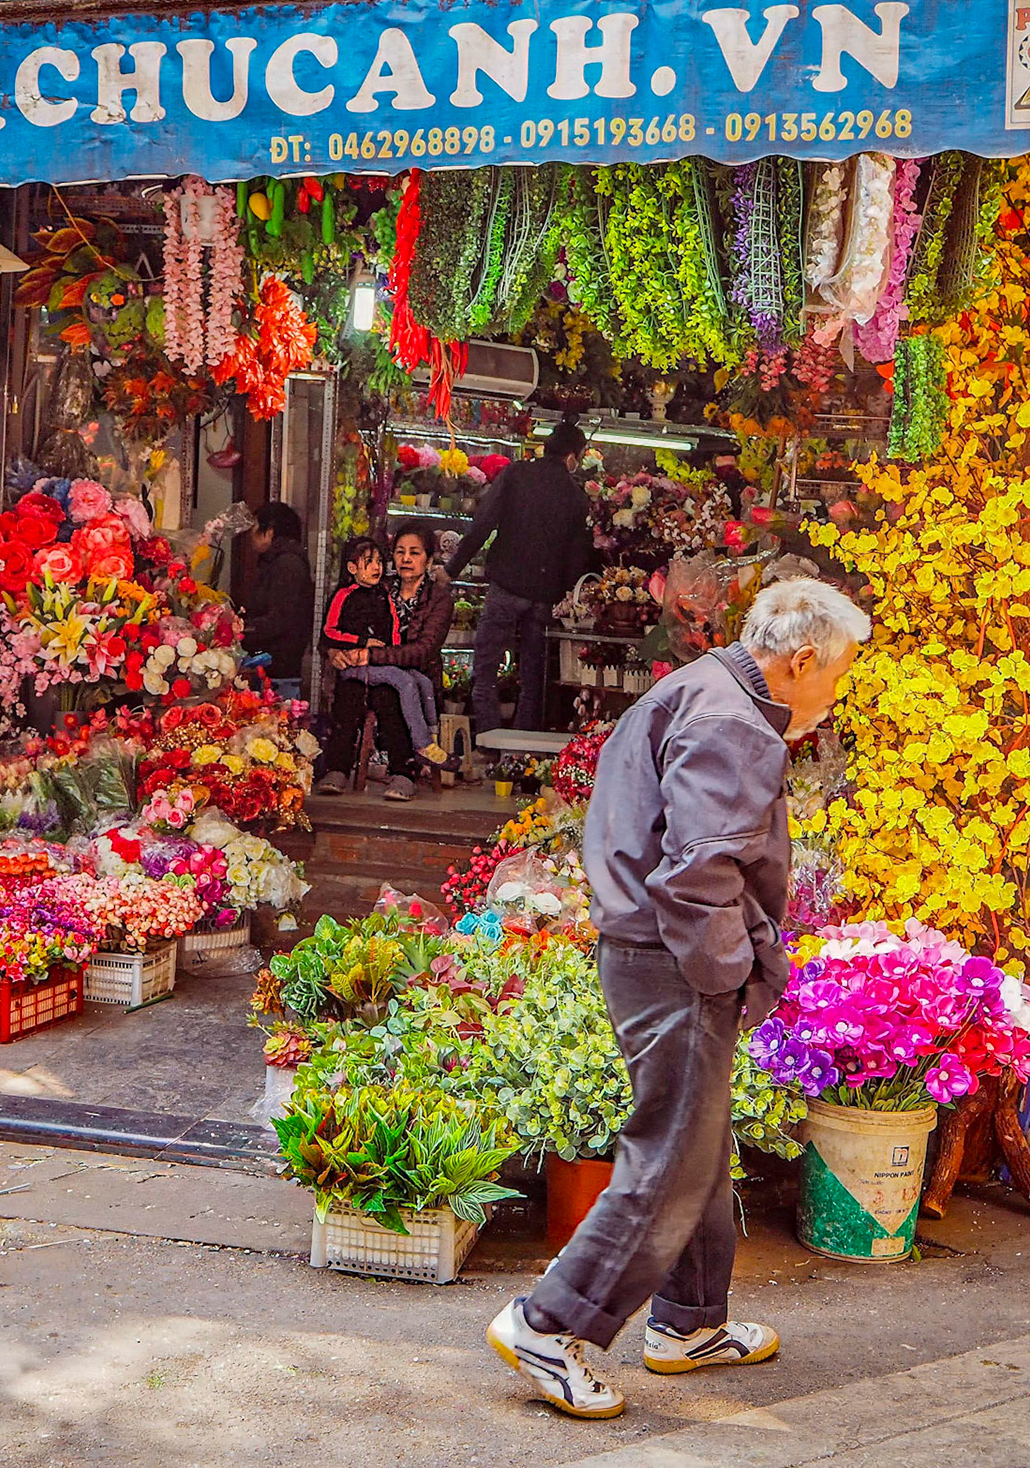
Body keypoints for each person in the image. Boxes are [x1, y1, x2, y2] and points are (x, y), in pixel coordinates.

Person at [487, 578, 871, 1420]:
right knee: (671, 1154)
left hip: (649, 952)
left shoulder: (699, 687)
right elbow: (698, 875)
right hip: (676, 960)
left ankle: (689, 1322)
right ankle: (549, 1325)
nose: (835, 694)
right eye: (838, 674)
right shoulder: (734, 720)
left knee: (694, 1143)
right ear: (802, 659)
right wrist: (729, 971)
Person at [445, 420, 592, 738]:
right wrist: (570, 598)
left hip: (505, 586)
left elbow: (482, 524)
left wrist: (451, 569)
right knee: (532, 677)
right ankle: (523, 747)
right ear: (571, 457)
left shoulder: (515, 474)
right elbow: (576, 556)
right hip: (544, 597)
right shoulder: (576, 496)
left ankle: (488, 738)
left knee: (485, 669)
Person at [315, 520, 453, 803]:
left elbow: (423, 651)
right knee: (349, 692)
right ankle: (337, 769)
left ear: (429, 559)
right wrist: (334, 653)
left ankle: (404, 772)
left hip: (414, 675)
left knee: (390, 696)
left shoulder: (438, 599)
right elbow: (330, 634)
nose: (405, 559)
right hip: (366, 669)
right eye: (400, 552)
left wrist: (370, 654)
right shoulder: (378, 585)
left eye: (414, 553)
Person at [238, 502, 313, 701]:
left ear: (269, 532)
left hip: (279, 669)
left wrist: (242, 628)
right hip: (275, 666)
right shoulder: (278, 562)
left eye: (255, 526)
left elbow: (280, 619)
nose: (251, 534)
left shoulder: (287, 565)